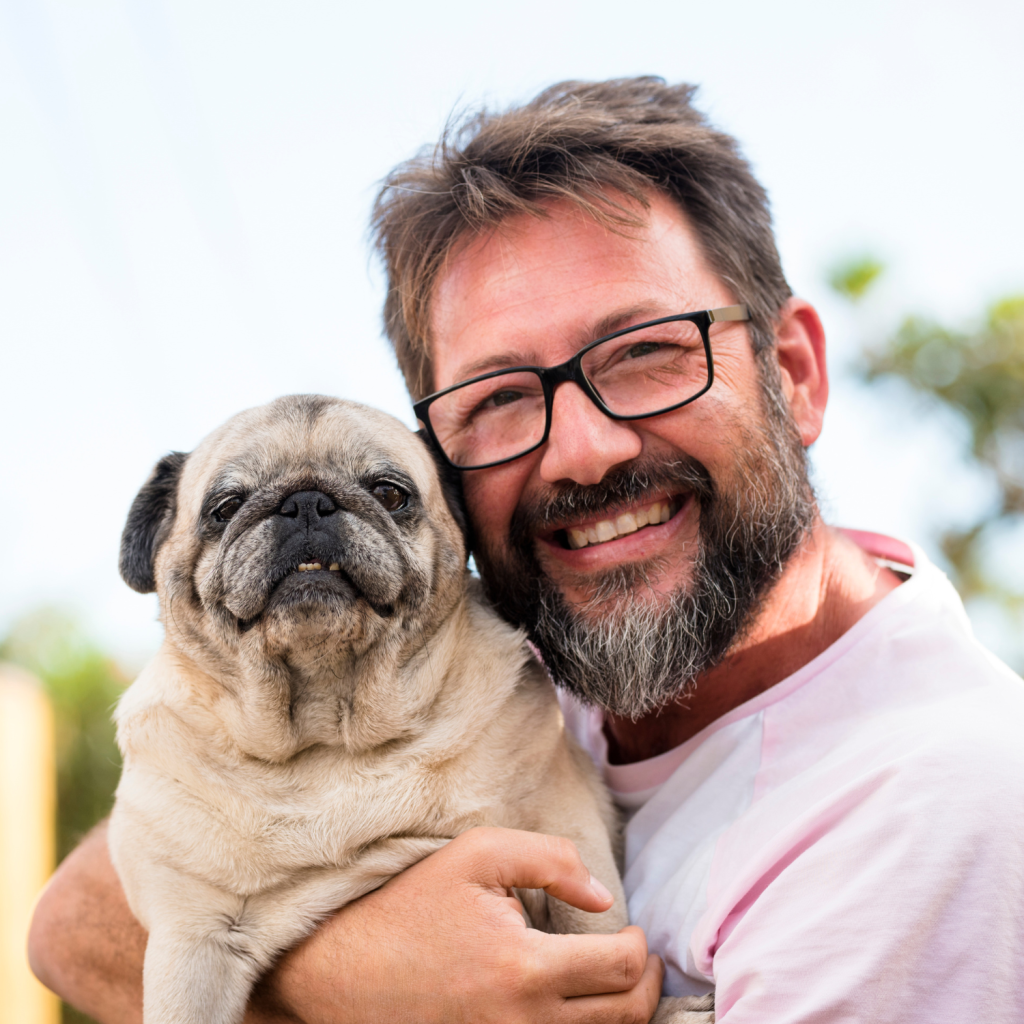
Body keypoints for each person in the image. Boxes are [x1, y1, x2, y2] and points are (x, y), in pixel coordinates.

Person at [29, 78, 1024, 1023]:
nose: (583, 448)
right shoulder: (518, 654)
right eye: (500, 397)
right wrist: (357, 972)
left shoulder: (930, 810)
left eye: (646, 353)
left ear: (794, 374)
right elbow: (73, 923)